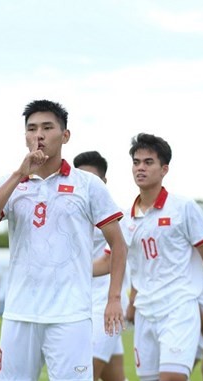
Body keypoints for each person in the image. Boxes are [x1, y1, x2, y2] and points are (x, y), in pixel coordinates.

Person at [0, 100, 128, 381]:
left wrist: (114, 298)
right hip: (20, 312)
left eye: (47, 127)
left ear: (65, 136)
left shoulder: (88, 185)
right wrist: (21, 173)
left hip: (71, 315)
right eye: (32, 129)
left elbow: (118, 244)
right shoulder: (12, 183)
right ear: (25, 137)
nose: (39, 135)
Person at [123, 133, 203, 381]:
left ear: (164, 169)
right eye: (136, 162)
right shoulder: (126, 218)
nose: (140, 168)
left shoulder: (184, 207)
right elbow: (126, 265)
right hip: (145, 314)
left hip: (178, 310)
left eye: (148, 162)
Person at [73, 151, 128, 381]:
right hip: (79, 300)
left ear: (103, 183)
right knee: (115, 377)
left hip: (104, 303)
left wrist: (70, 270)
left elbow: (110, 259)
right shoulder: (69, 212)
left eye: (91, 179)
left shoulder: (112, 216)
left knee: (84, 373)